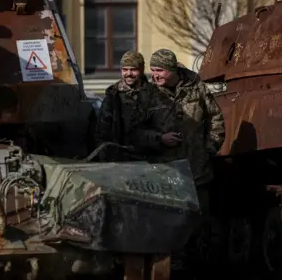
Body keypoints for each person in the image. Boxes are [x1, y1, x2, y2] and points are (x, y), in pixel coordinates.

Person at [136, 48, 226, 212]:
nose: (155, 75)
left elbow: (216, 118)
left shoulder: (196, 88)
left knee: (200, 222)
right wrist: (159, 138)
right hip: (165, 175)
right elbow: (137, 132)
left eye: (160, 70)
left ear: (172, 70)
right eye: (153, 70)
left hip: (197, 174)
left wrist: (208, 149)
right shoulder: (148, 95)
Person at [91, 50, 160, 162]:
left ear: (142, 70)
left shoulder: (154, 94)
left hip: (147, 159)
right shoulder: (112, 97)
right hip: (119, 160)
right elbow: (101, 133)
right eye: (125, 69)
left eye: (133, 69)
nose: (129, 73)